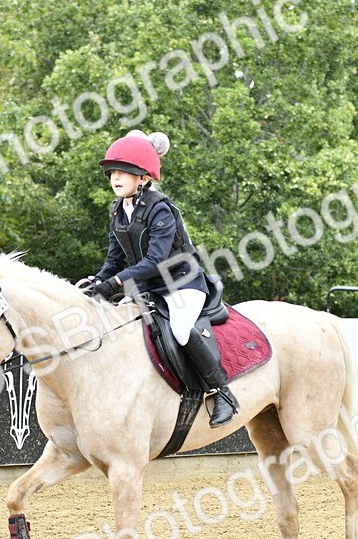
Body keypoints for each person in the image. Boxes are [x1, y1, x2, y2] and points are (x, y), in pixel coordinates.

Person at [78, 130, 239, 428]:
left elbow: (155, 261)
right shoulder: (117, 210)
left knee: (180, 330)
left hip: (182, 284)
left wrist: (113, 284)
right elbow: (114, 260)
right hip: (149, 287)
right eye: (113, 172)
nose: (115, 177)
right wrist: (96, 281)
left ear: (143, 178)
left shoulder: (160, 209)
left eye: (124, 172)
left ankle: (223, 392)